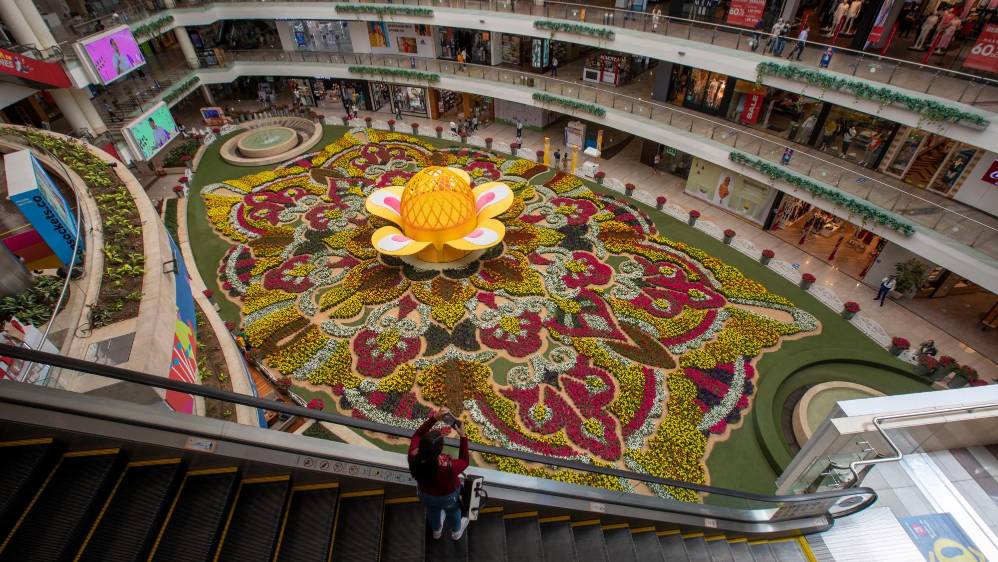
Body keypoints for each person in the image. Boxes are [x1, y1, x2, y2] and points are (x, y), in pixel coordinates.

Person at [408, 408, 469, 541]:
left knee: (432, 511)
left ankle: (436, 531)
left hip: (425, 494)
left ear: (422, 445)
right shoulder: (448, 466)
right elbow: (464, 461)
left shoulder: (413, 454)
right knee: (453, 512)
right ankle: (456, 532)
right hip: (448, 497)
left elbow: (417, 435)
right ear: (439, 450)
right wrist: (463, 436)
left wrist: (434, 418)